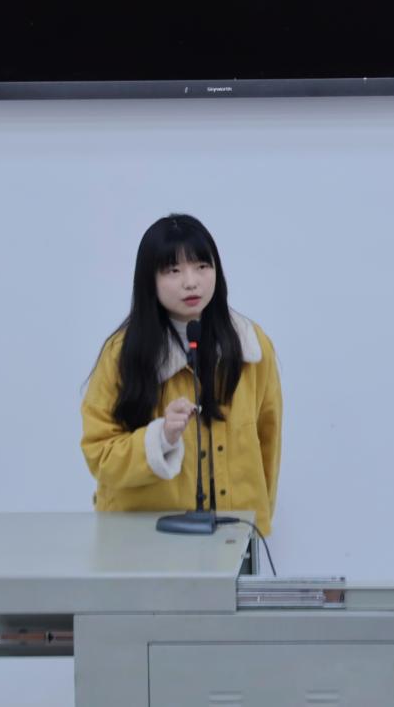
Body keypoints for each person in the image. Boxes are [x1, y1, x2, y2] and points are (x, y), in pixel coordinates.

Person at [81, 214, 282, 536]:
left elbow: (268, 444)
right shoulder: (122, 354)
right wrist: (160, 438)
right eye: (173, 270)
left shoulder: (250, 346)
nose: (191, 282)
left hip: (232, 533)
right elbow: (99, 455)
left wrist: (259, 524)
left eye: (202, 266)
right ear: (149, 279)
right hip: (145, 537)